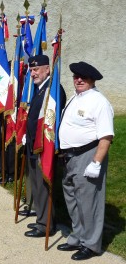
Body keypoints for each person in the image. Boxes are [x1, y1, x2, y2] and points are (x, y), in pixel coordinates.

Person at [57, 61, 114, 261]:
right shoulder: (76, 97)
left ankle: (91, 244)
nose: (79, 80)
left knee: (89, 202)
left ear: (92, 80)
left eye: (84, 77)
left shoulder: (99, 102)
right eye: (76, 77)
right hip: (69, 156)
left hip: (87, 156)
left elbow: (106, 137)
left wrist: (96, 163)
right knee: (72, 199)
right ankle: (77, 236)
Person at [23, 54, 66, 238]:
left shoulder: (53, 90)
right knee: (37, 186)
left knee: (43, 186)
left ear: (47, 69)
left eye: (36, 69)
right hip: (33, 145)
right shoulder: (39, 89)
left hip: (44, 147)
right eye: (31, 70)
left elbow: (50, 120)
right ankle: (42, 219)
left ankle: (47, 224)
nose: (32, 73)